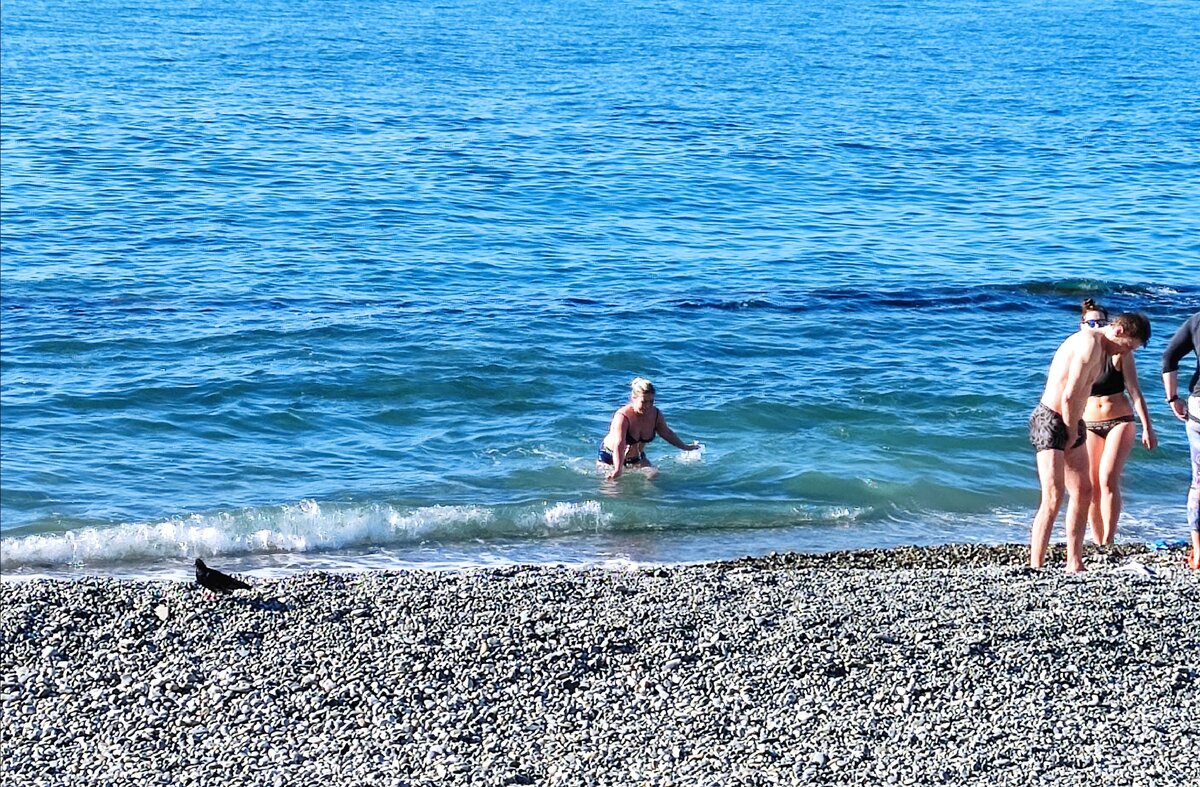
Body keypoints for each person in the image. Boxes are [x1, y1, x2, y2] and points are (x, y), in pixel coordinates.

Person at [1029, 312, 1151, 572]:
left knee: (1084, 491)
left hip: (1073, 420)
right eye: (1129, 346)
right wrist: (1072, 432)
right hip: (1051, 419)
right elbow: (1070, 393)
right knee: (1053, 495)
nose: (1128, 352)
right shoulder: (1090, 343)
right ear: (1118, 331)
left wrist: (1074, 427)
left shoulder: (1104, 349)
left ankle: (1074, 561)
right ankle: (1036, 564)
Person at [1076, 299, 1157, 546]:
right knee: (1091, 486)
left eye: (1101, 321)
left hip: (1119, 420)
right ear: (1082, 325)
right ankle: (1098, 540)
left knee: (1108, 478)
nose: (1097, 325)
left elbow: (1135, 392)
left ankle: (1108, 541)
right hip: (1089, 423)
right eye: (1091, 322)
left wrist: (1147, 427)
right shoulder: (1082, 351)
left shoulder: (1121, 354)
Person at [599, 377, 700, 480]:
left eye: (651, 402)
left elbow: (667, 433)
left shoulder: (655, 414)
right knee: (612, 489)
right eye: (644, 402)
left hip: (636, 458)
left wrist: (685, 447)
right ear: (633, 398)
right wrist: (618, 469)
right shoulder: (623, 416)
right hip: (611, 457)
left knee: (654, 476)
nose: (648, 406)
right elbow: (619, 444)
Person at [1161, 310, 1200, 570]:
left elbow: (1169, 357)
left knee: (1199, 481)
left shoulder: (1198, 320)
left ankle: (1198, 552)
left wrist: (1172, 398)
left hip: (1199, 408)